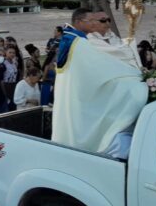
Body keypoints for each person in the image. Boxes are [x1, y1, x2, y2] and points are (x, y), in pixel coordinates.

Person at [52, 9, 147, 156]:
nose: (93, 24)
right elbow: (101, 65)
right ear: (78, 22)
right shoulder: (78, 42)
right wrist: (132, 74)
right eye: (90, 21)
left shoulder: (73, 38)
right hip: (79, 93)